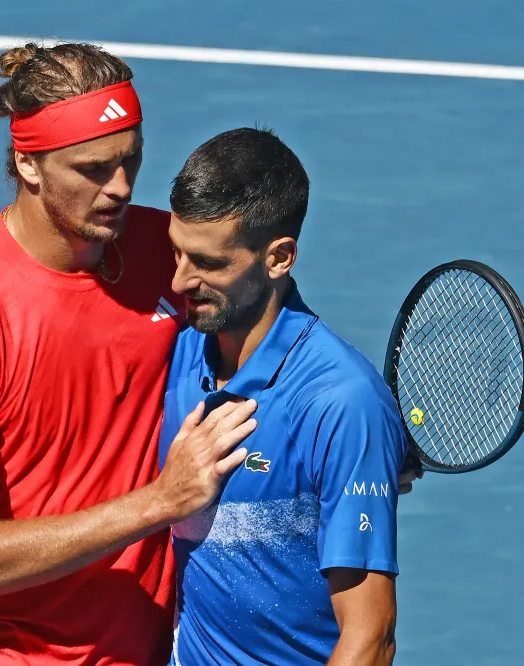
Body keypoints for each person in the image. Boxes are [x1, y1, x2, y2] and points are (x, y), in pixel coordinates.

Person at [0, 43, 260, 666]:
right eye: (92, 169)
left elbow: (265, 345)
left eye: (130, 162)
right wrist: (163, 501)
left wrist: (342, 436)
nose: (118, 188)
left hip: (155, 648)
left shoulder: (164, 252)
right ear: (29, 164)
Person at [159, 127, 409, 666]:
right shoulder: (174, 349)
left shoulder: (340, 404)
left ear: (279, 257)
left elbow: (370, 638)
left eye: (208, 263)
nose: (180, 281)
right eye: (177, 252)